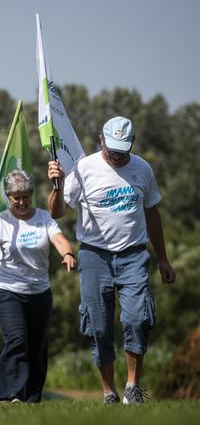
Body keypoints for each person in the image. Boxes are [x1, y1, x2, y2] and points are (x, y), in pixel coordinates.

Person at [48, 116, 177, 404]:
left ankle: (133, 387)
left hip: (134, 255)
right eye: (112, 148)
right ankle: (109, 392)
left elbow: (152, 214)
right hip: (94, 256)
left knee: (137, 318)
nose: (117, 155)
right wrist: (56, 186)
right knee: (99, 326)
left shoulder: (142, 169)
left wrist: (164, 260)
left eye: (123, 149)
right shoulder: (84, 168)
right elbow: (57, 212)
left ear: (131, 144)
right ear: (101, 141)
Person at [0, 170, 75, 403]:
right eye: (16, 197)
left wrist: (68, 253)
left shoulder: (43, 218)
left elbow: (59, 239)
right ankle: (10, 395)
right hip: (7, 290)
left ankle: (32, 398)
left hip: (39, 292)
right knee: (17, 338)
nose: (21, 202)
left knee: (37, 347)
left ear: (32, 195)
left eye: (26, 196)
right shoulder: (0, 220)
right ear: (8, 197)